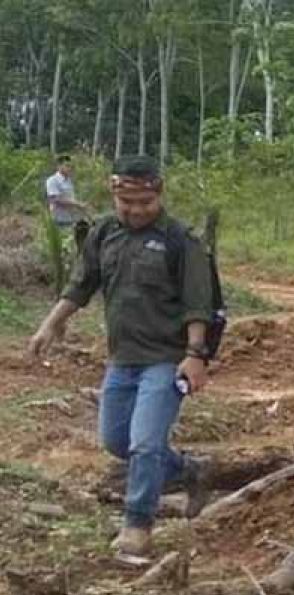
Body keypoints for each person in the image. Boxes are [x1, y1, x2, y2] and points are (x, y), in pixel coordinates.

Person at [27, 155, 212, 558]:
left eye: (145, 203)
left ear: (158, 195)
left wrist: (196, 355)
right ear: (115, 196)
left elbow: (199, 303)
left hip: (166, 358)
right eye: (127, 204)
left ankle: (137, 524)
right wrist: (51, 323)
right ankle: (188, 469)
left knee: (145, 444)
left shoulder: (181, 240)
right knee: (116, 440)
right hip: (122, 359)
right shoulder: (104, 233)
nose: (136, 211)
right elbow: (82, 282)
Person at [45, 155, 90, 228]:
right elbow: (56, 199)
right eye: (67, 166)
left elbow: (70, 198)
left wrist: (80, 207)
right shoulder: (52, 180)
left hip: (70, 218)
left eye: (70, 166)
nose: (69, 168)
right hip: (59, 219)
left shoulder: (68, 181)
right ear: (59, 166)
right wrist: (77, 204)